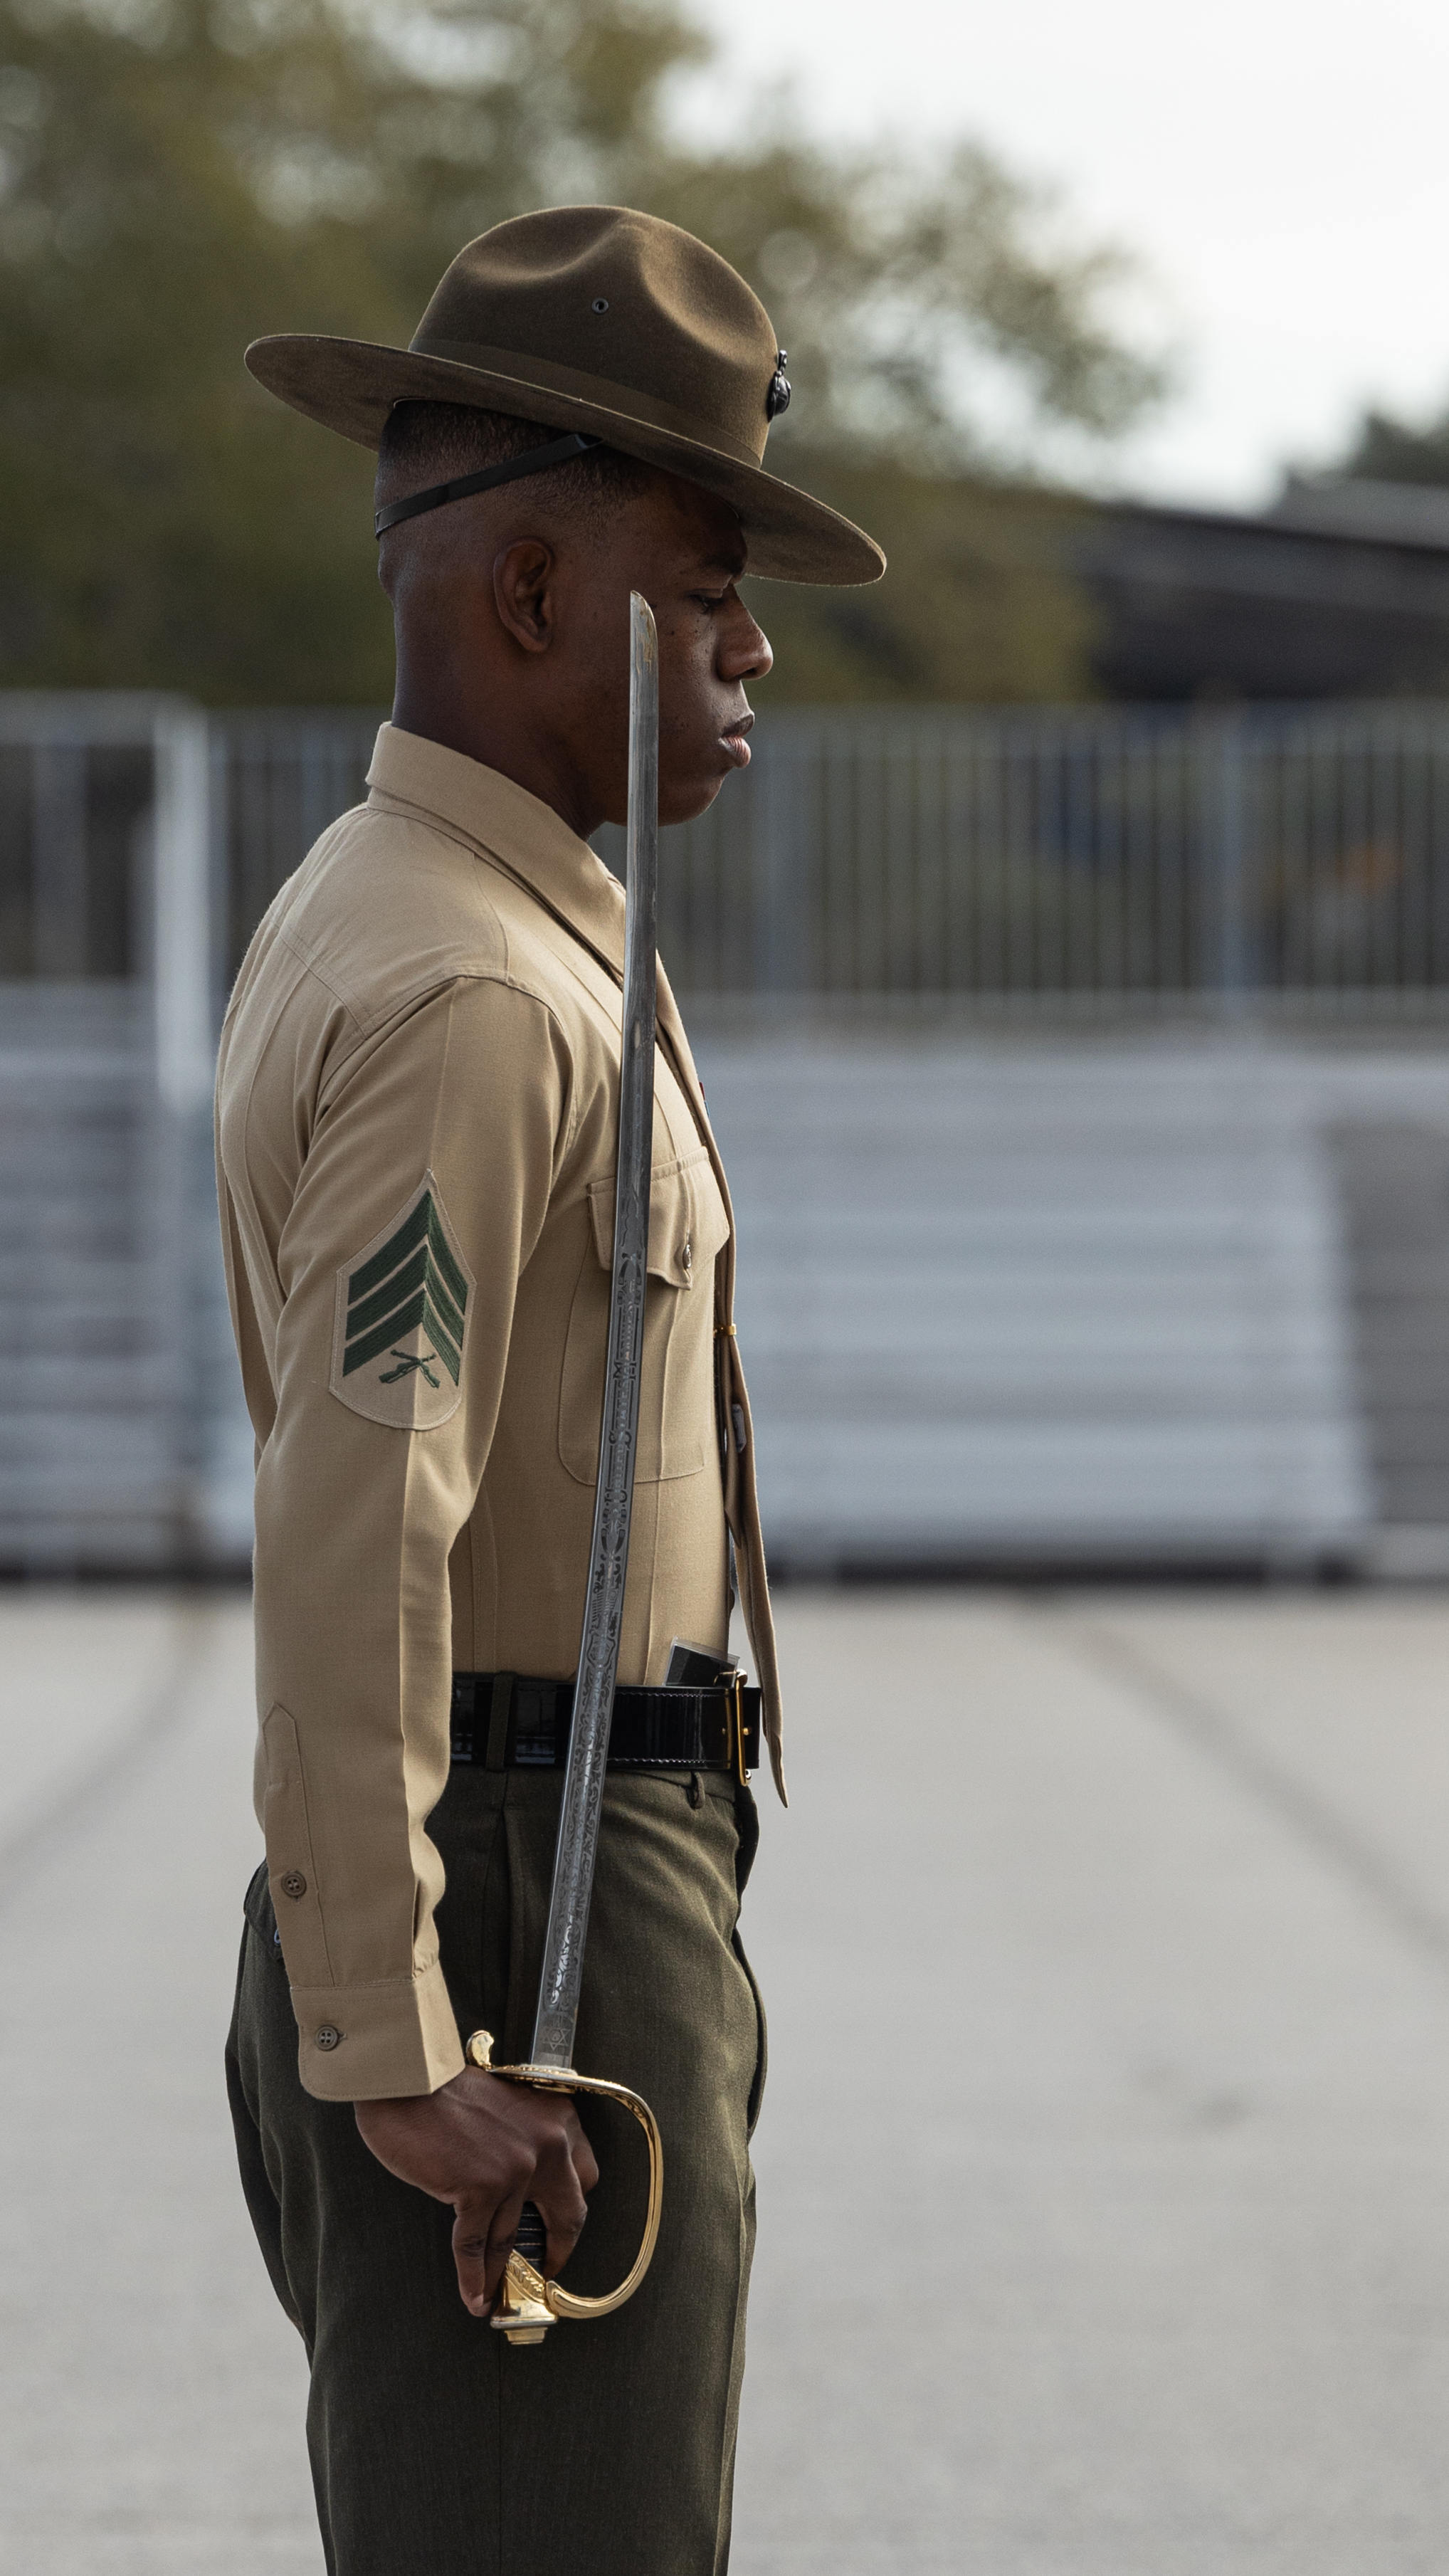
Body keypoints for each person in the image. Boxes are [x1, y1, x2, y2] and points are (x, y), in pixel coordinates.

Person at [218, 204, 884, 2576]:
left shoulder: (445, 912)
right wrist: (400, 2032)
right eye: (701, 589)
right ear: (526, 592)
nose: (750, 646)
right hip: (525, 1906)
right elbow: (359, 1515)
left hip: (547, 1857)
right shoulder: (477, 993)